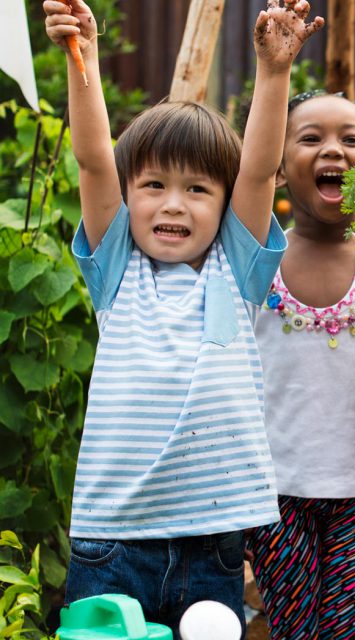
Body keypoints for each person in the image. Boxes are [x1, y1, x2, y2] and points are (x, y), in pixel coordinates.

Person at [44, 0, 322, 633]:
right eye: (153, 187)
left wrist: (274, 73)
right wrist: (80, 58)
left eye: (198, 190)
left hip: (211, 543)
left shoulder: (239, 271)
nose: (174, 205)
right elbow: (92, 160)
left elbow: (258, 170)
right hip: (113, 541)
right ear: (129, 194)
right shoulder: (117, 269)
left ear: (224, 206)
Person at [243, 90, 355, 639]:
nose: (334, 150)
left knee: (350, 630)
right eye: (310, 138)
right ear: (277, 168)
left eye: (352, 139)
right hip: (277, 491)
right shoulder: (256, 264)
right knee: (294, 630)